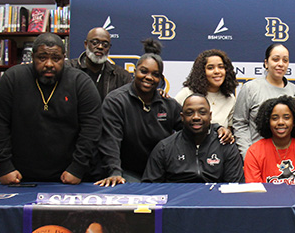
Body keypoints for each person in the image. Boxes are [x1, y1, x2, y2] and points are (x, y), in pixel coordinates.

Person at [0, 32, 101, 184]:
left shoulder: (80, 82)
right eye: (42, 58)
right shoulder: (12, 79)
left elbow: (91, 128)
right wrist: (4, 167)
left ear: (64, 58)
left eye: (56, 58)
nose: (49, 64)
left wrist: (77, 168)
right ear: (32, 57)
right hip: (19, 176)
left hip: (68, 176)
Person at [95, 52, 183, 185]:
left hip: (162, 173)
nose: (149, 77)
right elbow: (110, 141)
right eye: (144, 71)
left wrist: (217, 129)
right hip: (127, 172)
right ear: (134, 72)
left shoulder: (168, 103)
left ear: (161, 79)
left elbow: (192, 126)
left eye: (155, 74)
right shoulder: (116, 101)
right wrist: (114, 172)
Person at [143, 94, 244, 183]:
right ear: (182, 117)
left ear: (210, 116)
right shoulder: (165, 148)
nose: (196, 117)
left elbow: (234, 188)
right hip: (176, 202)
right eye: (190, 113)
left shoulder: (225, 145)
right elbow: (150, 188)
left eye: (202, 112)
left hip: (214, 202)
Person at [233, 43, 295, 157]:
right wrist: (248, 154)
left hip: (288, 159)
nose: (281, 64)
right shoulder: (250, 88)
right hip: (258, 157)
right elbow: (239, 123)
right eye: (276, 59)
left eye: (285, 60)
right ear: (266, 63)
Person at [243, 96, 295, 184]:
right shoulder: (254, 152)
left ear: (294, 121)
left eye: (286, 117)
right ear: (267, 121)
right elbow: (255, 191)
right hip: (265, 198)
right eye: (275, 118)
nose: (280, 122)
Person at [174, 49, 237, 129]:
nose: (217, 71)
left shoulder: (230, 99)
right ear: (202, 72)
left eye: (221, 67)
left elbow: (229, 130)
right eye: (210, 68)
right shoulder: (187, 93)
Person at [67, 27, 132, 101]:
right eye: (95, 43)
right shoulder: (69, 69)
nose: (100, 47)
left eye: (105, 45)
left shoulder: (121, 76)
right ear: (86, 44)